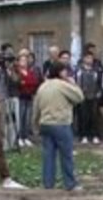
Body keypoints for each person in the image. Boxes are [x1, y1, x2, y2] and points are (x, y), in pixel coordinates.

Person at [33, 63, 85, 191]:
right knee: (66, 155)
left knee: (48, 155)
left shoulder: (43, 86)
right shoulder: (62, 85)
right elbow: (79, 97)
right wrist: (73, 84)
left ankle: (48, 183)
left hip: (45, 123)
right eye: (66, 71)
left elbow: (36, 108)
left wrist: (35, 125)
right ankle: (70, 183)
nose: (67, 74)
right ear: (61, 72)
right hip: (60, 123)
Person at [74, 54, 102, 144]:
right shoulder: (79, 70)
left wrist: (99, 92)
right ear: (83, 59)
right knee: (83, 116)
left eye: (91, 58)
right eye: (87, 57)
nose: (89, 59)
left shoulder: (97, 70)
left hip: (94, 96)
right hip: (82, 95)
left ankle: (95, 135)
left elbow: (100, 82)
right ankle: (83, 135)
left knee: (94, 116)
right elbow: (76, 82)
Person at [14, 54, 41, 148]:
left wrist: (26, 82)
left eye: (25, 60)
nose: (24, 62)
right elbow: (19, 83)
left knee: (28, 118)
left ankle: (26, 137)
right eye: (22, 60)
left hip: (29, 97)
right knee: (21, 118)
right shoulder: (17, 72)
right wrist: (26, 83)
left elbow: (34, 82)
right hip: (21, 97)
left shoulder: (30, 71)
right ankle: (20, 137)